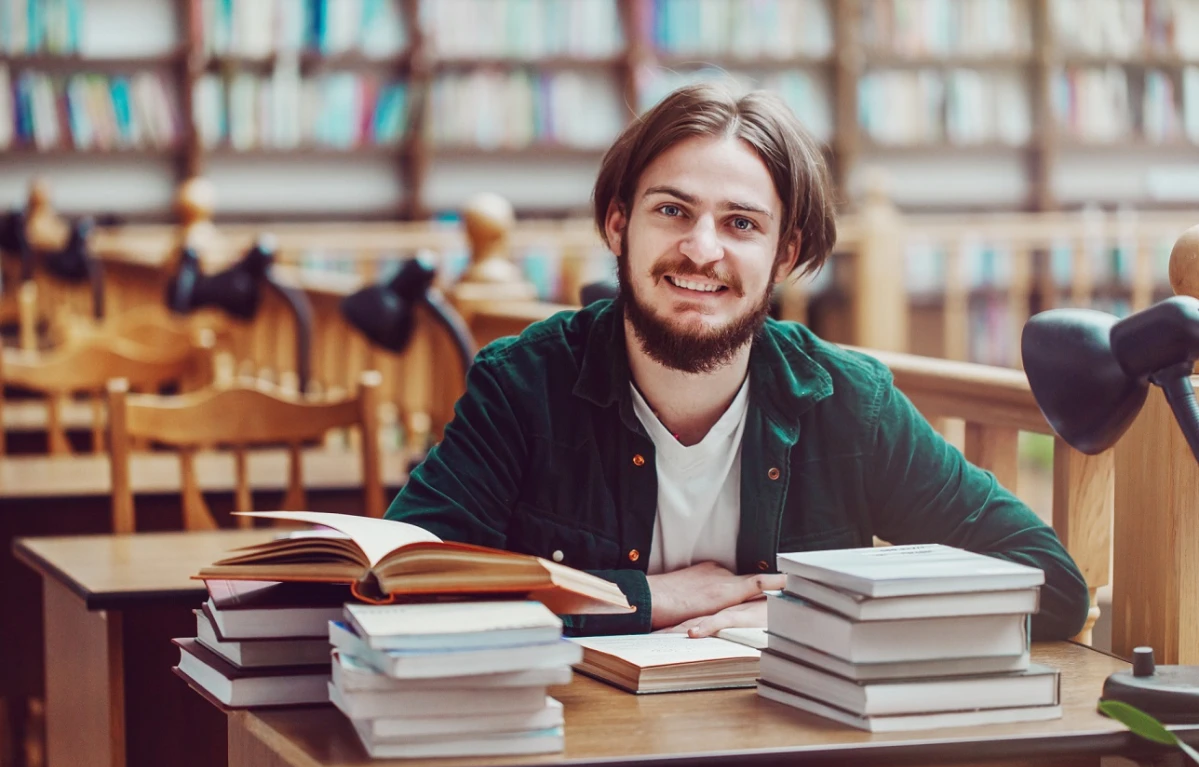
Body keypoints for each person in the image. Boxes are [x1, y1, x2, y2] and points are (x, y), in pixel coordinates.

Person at [383, 82, 1089, 641]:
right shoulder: (521, 383)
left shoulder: (845, 402)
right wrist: (645, 597)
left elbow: (1049, 585)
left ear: (784, 253)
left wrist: (822, 616)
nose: (701, 249)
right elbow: (400, 586)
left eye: (740, 223)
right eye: (671, 211)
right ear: (618, 223)